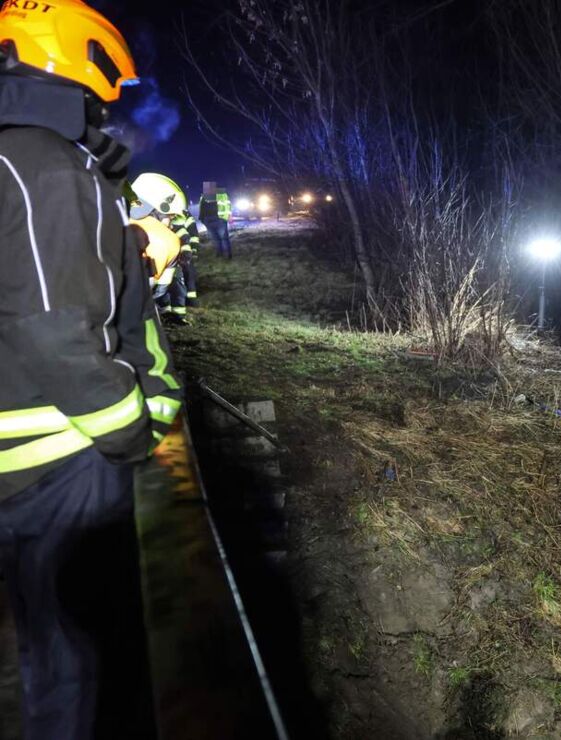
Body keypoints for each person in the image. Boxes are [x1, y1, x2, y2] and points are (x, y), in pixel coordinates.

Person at [0, 2, 183, 736]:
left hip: (25, 466)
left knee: (55, 662)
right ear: (85, 58)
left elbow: (46, 280)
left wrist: (130, 248)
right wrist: (133, 428)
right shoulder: (46, 164)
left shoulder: (19, 157)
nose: (111, 102)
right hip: (63, 465)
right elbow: (55, 333)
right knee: (89, 673)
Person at [131, 172, 198, 323]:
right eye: (170, 216)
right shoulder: (165, 240)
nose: (171, 221)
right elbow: (158, 288)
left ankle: (170, 312)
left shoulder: (118, 225)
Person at [199, 180, 233, 259]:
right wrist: (202, 219)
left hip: (219, 219)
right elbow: (201, 208)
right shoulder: (203, 196)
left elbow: (228, 205)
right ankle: (219, 253)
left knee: (223, 238)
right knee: (215, 238)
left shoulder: (222, 194)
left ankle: (228, 255)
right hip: (208, 220)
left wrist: (229, 216)